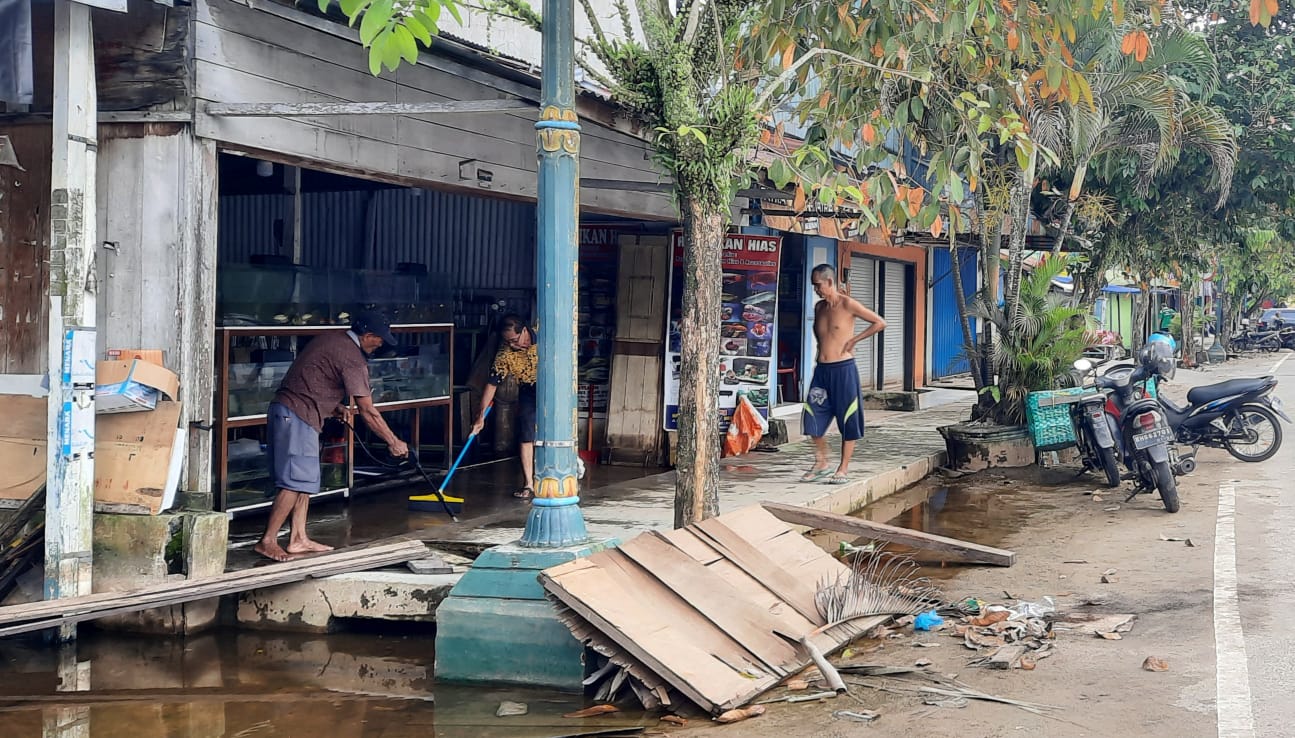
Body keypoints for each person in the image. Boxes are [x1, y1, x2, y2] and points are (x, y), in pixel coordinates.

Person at [255, 310, 410, 561]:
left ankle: (298, 538)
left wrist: (334, 405)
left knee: (303, 480)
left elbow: (312, 376)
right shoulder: (352, 357)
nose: (382, 343)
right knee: (294, 482)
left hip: (293, 411)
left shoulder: (332, 339)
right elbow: (368, 411)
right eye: (380, 339)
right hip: (297, 415)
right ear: (368, 335)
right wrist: (393, 442)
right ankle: (268, 540)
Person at [801, 264, 887, 484]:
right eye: (813, 286)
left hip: (844, 370)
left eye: (818, 285)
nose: (816, 290)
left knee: (848, 418)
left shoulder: (848, 304)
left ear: (829, 282)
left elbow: (880, 322)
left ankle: (843, 468)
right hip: (822, 371)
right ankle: (822, 462)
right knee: (812, 417)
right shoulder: (819, 307)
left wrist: (853, 340)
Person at [472, 315, 538, 499]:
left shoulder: (545, 337)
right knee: (526, 433)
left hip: (553, 388)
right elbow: (491, 384)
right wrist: (481, 416)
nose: (513, 345)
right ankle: (529, 484)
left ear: (524, 330)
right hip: (528, 389)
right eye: (508, 342)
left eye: (515, 340)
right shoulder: (505, 353)